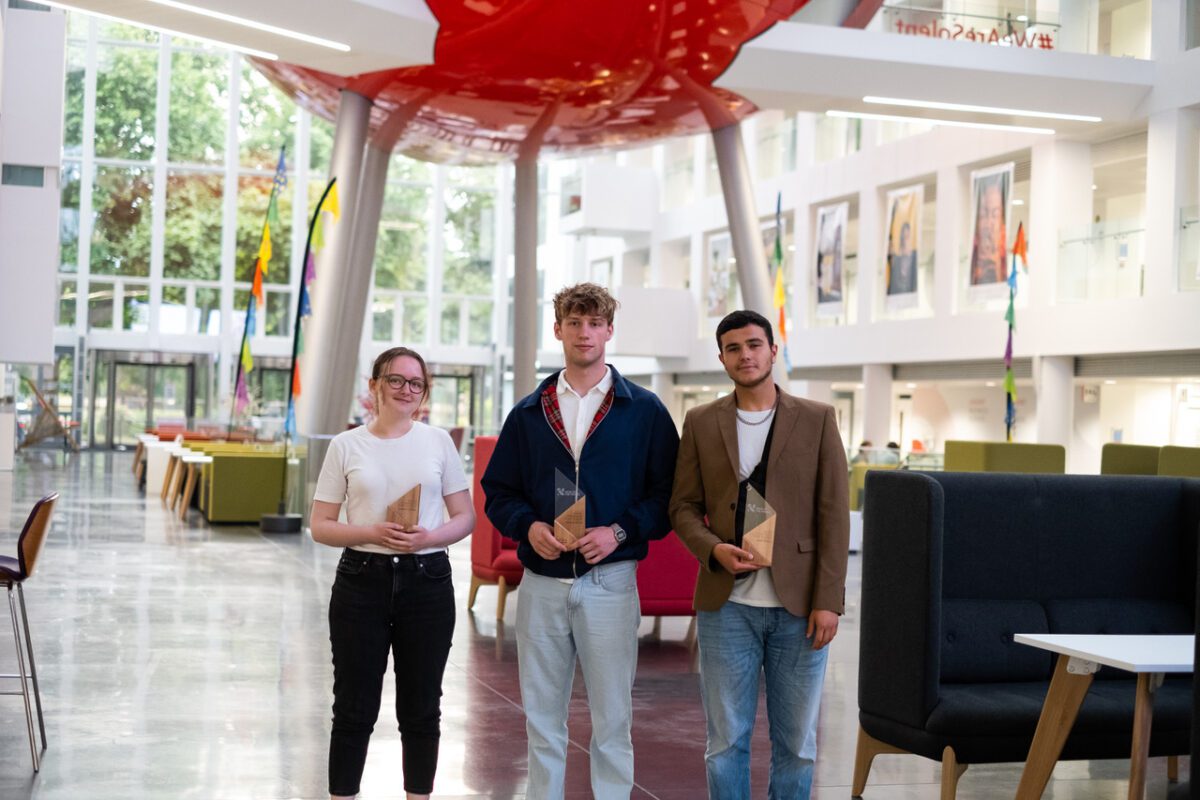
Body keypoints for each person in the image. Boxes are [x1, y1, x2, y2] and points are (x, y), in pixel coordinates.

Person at [482, 283, 679, 800]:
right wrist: (528, 526)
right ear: (559, 330)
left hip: (611, 583)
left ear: (609, 331)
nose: (584, 332)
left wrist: (618, 532)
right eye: (575, 322)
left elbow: (668, 497)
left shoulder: (645, 411)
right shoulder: (529, 412)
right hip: (542, 584)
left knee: (613, 719)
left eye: (595, 323)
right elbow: (497, 492)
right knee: (542, 719)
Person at [669, 309, 849, 800]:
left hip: (800, 607)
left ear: (773, 350)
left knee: (798, 744)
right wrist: (712, 550)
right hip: (727, 608)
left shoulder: (816, 419)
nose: (744, 355)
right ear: (721, 358)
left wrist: (829, 600)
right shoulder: (702, 422)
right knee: (726, 741)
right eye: (733, 348)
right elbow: (682, 506)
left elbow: (834, 514)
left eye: (753, 345)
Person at [310, 346, 475, 800]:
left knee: (422, 707)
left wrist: (429, 538)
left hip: (428, 579)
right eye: (397, 380)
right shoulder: (346, 446)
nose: (407, 390)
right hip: (362, 578)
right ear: (375, 386)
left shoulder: (438, 441)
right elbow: (320, 526)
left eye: (416, 383)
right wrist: (371, 531)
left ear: (424, 392)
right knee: (353, 706)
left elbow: (465, 517)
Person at [970, 178, 1007, 285]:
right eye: (983, 215)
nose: (989, 223)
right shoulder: (973, 257)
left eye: (995, 215)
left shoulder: (1003, 258)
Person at [887, 221, 917, 295]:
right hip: (897, 292)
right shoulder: (897, 259)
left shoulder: (914, 256)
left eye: (907, 236)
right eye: (904, 237)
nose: (906, 240)